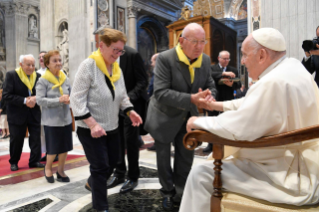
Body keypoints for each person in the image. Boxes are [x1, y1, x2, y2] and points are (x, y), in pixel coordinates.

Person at [180, 28, 319, 212]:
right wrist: (216, 106)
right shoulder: (292, 68)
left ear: (262, 55)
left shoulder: (273, 82)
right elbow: (252, 103)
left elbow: (240, 127)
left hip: (288, 175)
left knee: (201, 174)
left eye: (245, 55)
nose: (243, 61)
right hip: (309, 165)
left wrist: (197, 122)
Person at [144, 23, 217, 211]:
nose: (200, 46)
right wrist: (192, 99)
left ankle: (181, 191)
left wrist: (210, 96)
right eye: (195, 42)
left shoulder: (205, 60)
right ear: (182, 41)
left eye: (203, 41)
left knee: (186, 156)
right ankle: (167, 192)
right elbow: (160, 92)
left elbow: (210, 83)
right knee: (163, 158)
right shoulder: (166, 59)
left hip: (188, 117)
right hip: (164, 116)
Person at [70, 28, 142, 212]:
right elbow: (76, 99)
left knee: (113, 161)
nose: (118, 55)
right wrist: (92, 124)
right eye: (115, 50)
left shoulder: (116, 67)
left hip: (112, 126)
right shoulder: (89, 66)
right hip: (89, 128)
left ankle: (92, 182)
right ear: (102, 46)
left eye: (121, 51)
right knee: (101, 167)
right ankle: (101, 207)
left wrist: (130, 111)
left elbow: (123, 96)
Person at [93, 26, 148, 194]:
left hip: (130, 106)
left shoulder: (132, 55)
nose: (117, 53)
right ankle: (119, 173)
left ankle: (133, 176)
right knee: (117, 143)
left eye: (119, 50)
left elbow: (142, 81)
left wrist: (129, 97)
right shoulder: (100, 60)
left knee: (131, 143)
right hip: (112, 108)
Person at [36, 50, 73, 183]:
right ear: (47, 64)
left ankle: (61, 170)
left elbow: (72, 93)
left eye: (59, 60)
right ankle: (48, 167)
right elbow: (40, 100)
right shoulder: (43, 81)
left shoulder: (65, 78)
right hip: (51, 120)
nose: (58, 63)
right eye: (55, 61)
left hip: (66, 118)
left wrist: (69, 99)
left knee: (65, 147)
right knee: (53, 149)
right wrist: (59, 100)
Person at [3, 54, 44, 171]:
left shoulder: (38, 76)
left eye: (33, 65)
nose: (31, 67)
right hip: (17, 114)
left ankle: (35, 160)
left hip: (34, 113)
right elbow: (6, 95)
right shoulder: (12, 75)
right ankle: (14, 161)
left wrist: (35, 98)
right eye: (28, 65)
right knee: (16, 139)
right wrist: (25, 100)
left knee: (36, 138)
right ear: (21, 65)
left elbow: (42, 93)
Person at [203, 50, 241, 153]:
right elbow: (209, 75)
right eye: (224, 58)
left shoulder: (233, 70)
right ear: (218, 58)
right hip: (214, 99)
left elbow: (238, 84)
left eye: (228, 58)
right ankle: (210, 145)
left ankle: (225, 144)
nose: (226, 61)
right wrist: (223, 73)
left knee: (226, 123)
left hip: (227, 100)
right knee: (212, 123)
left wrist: (232, 85)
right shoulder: (212, 68)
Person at [146, 53, 159, 151]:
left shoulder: (160, 72)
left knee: (156, 124)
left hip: (157, 102)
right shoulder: (155, 71)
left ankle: (158, 142)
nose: (151, 64)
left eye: (152, 61)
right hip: (153, 100)